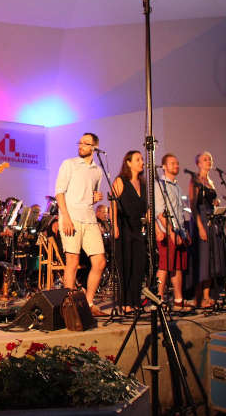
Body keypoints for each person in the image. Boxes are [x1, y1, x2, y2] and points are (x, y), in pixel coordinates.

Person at [55, 132, 105, 316]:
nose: (81, 146)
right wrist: (65, 217)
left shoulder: (98, 171)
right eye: (80, 143)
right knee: (73, 261)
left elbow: (91, 196)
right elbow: (59, 193)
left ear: (94, 148)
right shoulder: (69, 164)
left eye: (86, 143)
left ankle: (89, 302)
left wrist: (95, 198)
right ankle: (69, 307)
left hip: (89, 218)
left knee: (99, 261)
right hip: (72, 217)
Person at [188, 152, 226, 308]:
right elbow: (193, 206)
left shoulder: (210, 181)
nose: (209, 161)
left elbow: (211, 201)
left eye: (210, 158)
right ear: (198, 163)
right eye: (205, 159)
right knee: (202, 261)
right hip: (201, 221)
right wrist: (200, 227)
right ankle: (198, 297)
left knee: (211, 261)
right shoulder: (194, 180)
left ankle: (207, 295)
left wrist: (216, 203)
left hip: (212, 221)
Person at [153, 154, 191, 311]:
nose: (176, 165)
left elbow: (179, 212)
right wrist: (171, 232)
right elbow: (159, 213)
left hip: (179, 231)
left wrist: (184, 231)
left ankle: (178, 299)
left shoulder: (176, 186)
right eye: (172, 163)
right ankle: (158, 300)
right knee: (165, 266)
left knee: (177, 267)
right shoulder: (159, 185)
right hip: (168, 233)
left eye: (177, 162)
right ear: (164, 166)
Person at [112, 150, 147, 313]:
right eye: (138, 159)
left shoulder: (143, 183)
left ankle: (135, 301)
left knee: (138, 265)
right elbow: (112, 202)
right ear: (128, 163)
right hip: (124, 226)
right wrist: (114, 226)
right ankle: (124, 303)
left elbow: (145, 206)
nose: (142, 162)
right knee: (125, 265)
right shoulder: (121, 180)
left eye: (142, 159)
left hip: (137, 228)